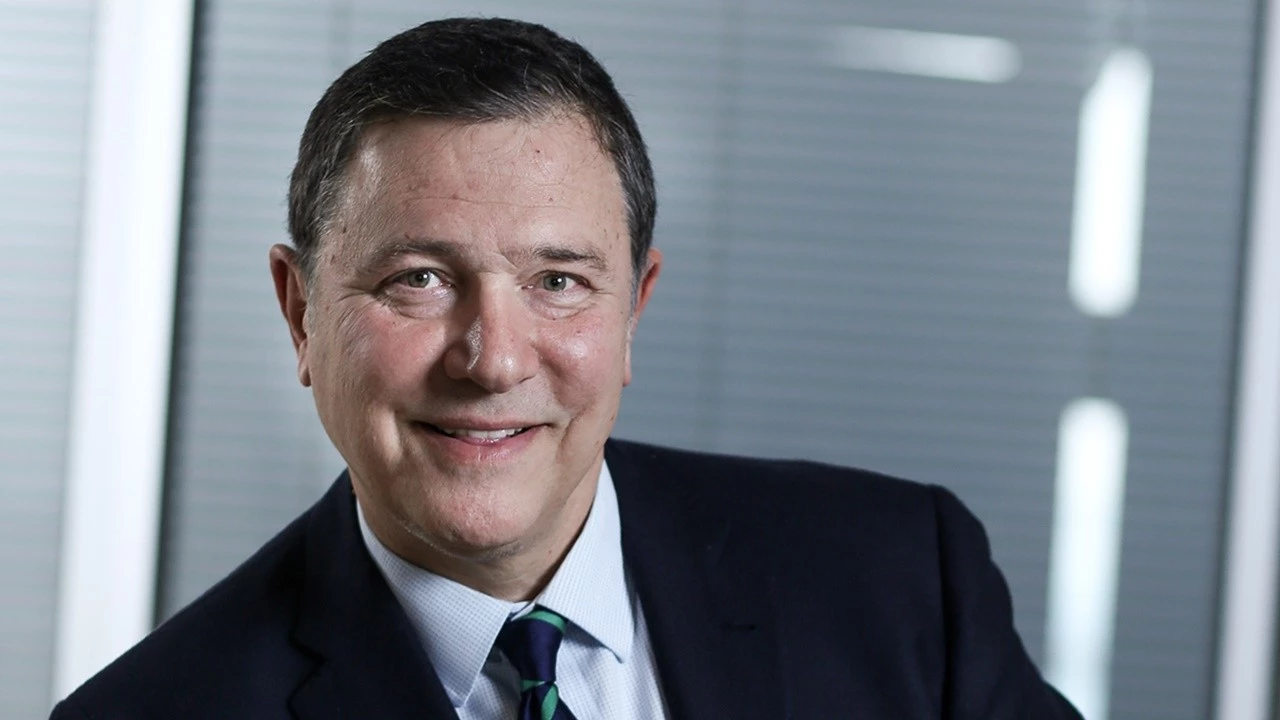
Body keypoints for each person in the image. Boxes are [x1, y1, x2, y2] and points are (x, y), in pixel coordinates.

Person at [51, 17, 1083, 720]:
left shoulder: (900, 585)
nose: (493, 359)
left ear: (633, 308)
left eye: (557, 282)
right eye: (418, 279)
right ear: (300, 314)